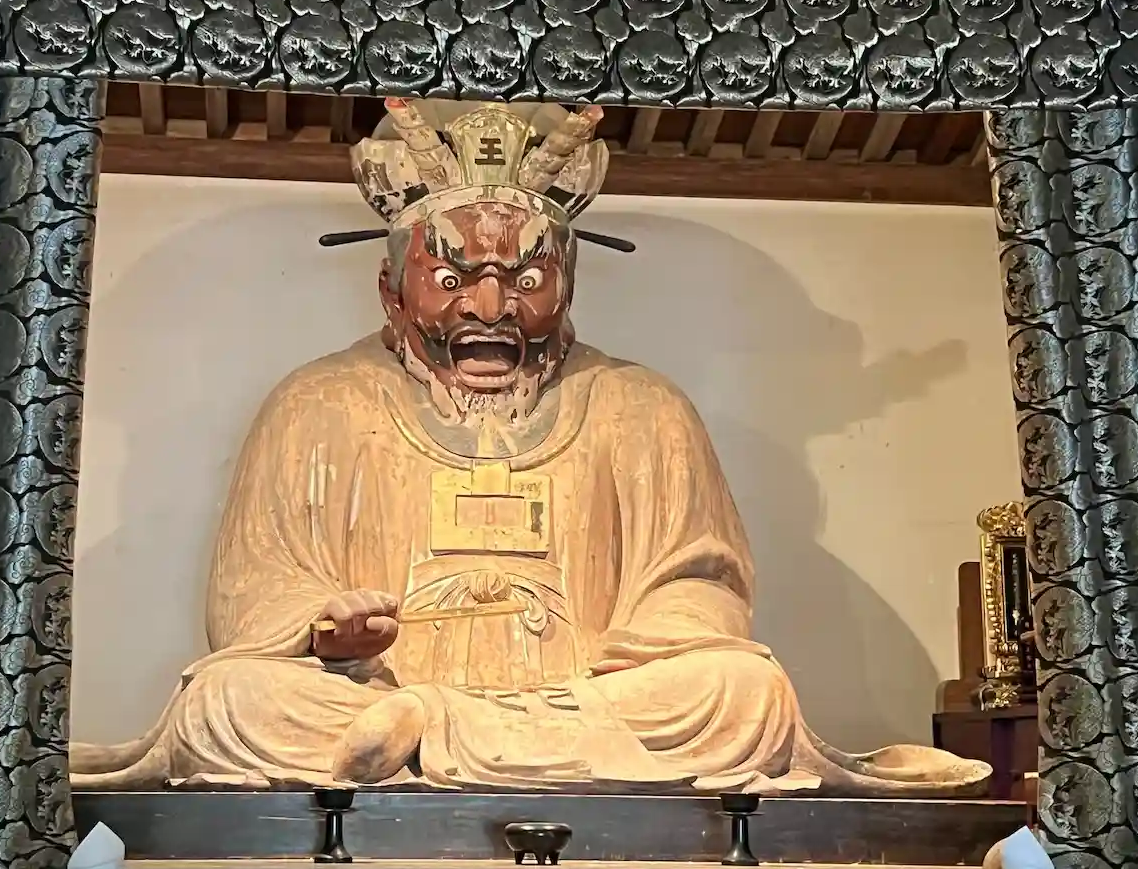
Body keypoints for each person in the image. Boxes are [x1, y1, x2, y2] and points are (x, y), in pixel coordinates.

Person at [71, 98, 990, 796]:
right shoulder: (315, 404)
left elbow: (702, 588)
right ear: (391, 292)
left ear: (569, 282)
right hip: (367, 698)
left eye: (526, 275)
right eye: (451, 275)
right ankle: (433, 726)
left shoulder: (643, 409)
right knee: (228, 701)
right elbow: (251, 590)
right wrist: (320, 625)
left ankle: (430, 729)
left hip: (583, 701)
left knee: (743, 692)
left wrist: (650, 643)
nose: (489, 307)